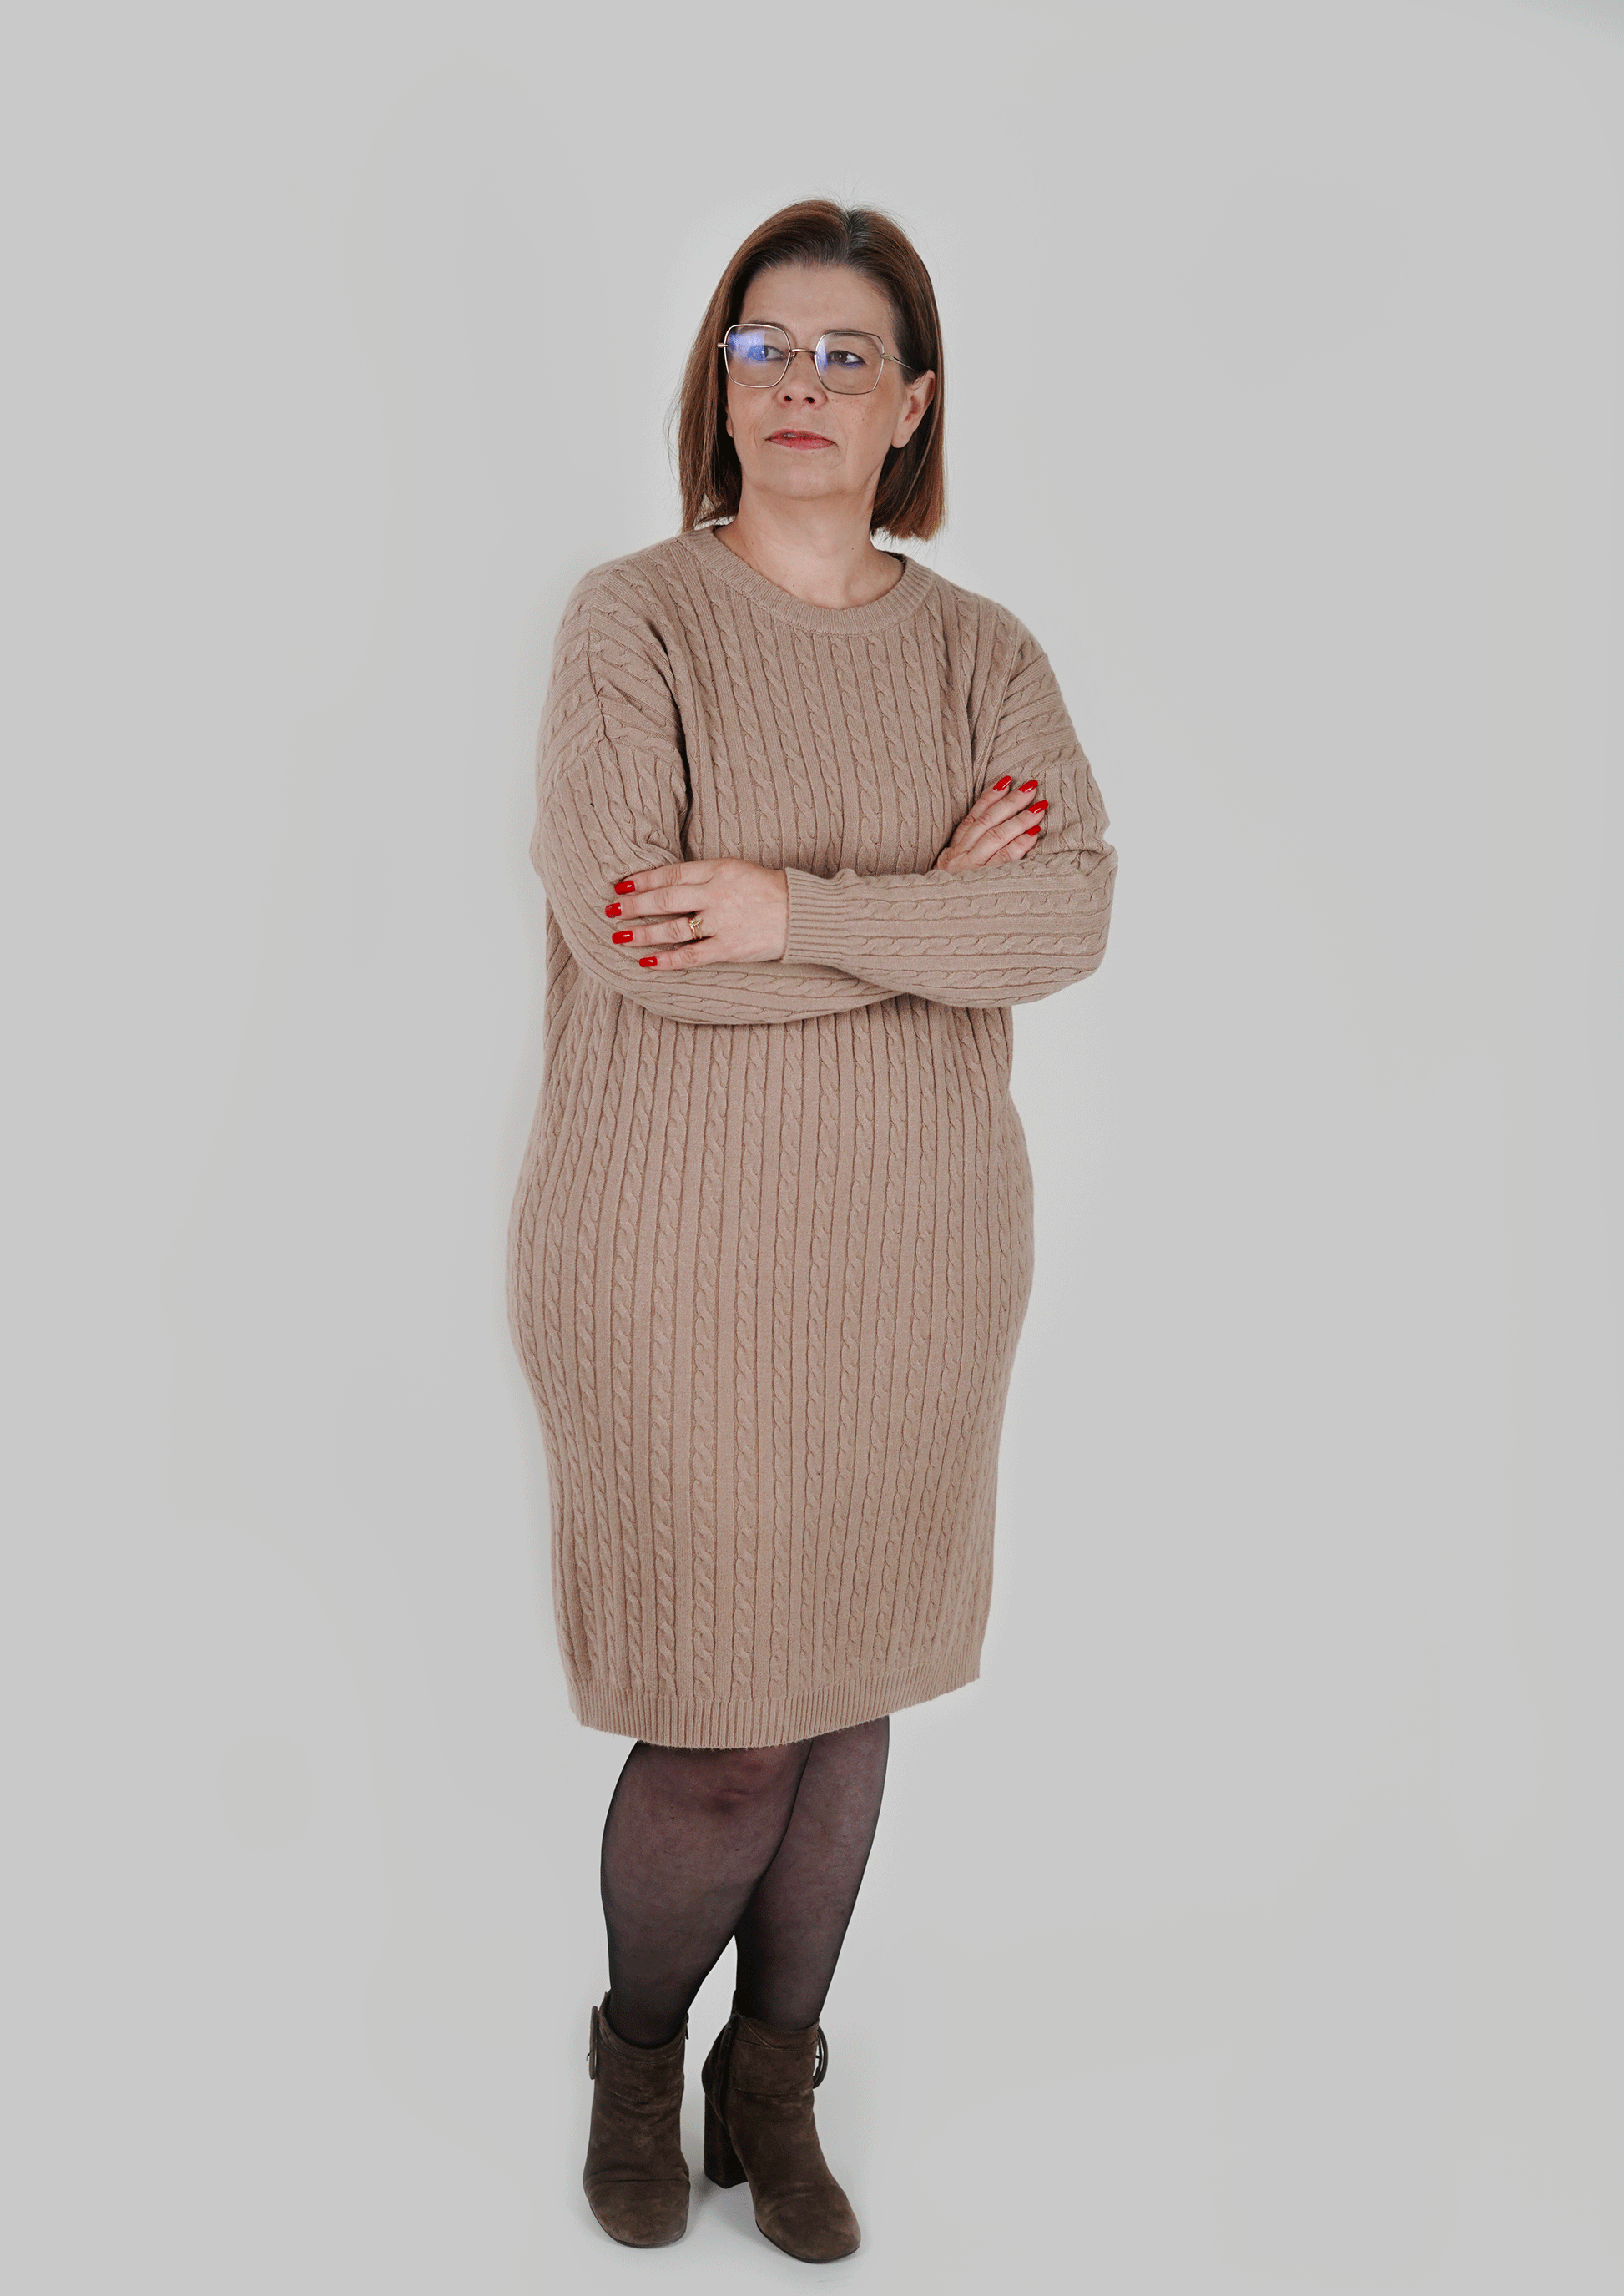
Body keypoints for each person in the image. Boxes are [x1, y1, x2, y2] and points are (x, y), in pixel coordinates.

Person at [506, 199, 1117, 2263]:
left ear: (912, 403)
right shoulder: (633, 624)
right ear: (720, 379)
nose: (802, 385)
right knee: (727, 1725)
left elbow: (1069, 915)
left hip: (920, 1261)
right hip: (665, 1256)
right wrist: (924, 913)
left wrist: (789, 905)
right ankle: (634, 2052)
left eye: (849, 354)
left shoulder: (984, 654)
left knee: (851, 1691)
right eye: (765, 347)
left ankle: (775, 2079)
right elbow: (639, 938)